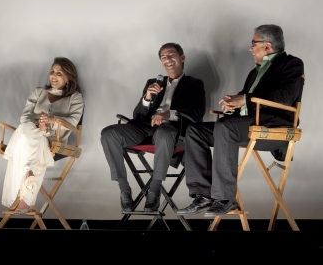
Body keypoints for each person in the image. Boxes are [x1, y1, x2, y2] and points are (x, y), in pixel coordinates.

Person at [176, 24, 304, 217]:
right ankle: (203, 195)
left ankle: (225, 199)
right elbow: (246, 98)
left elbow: (285, 96)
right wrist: (232, 105)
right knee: (195, 131)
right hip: (246, 124)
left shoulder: (292, 63)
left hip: (273, 126)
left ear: (267, 46)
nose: (250, 48)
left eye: (254, 44)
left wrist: (243, 100)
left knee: (226, 128)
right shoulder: (255, 72)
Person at [100, 43, 206, 212]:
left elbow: (197, 113)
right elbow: (138, 115)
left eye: (171, 55)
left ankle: (154, 191)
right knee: (108, 133)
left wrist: (168, 114)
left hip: (171, 130)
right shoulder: (153, 82)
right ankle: (124, 189)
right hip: (145, 127)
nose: (167, 59)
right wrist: (147, 98)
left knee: (165, 133)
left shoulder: (194, 84)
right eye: (163, 57)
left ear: (182, 57)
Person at [1, 57, 84, 214]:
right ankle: (28, 174)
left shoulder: (75, 98)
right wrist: (39, 126)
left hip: (54, 139)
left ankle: (25, 184)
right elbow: (25, 117)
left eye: (59, 73)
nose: (53, 76)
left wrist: (52, 122)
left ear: (69, 77)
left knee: (26, 142)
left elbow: (73, 121)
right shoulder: (39, 92)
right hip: (34, 133)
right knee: (28, 129)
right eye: (52, 71)